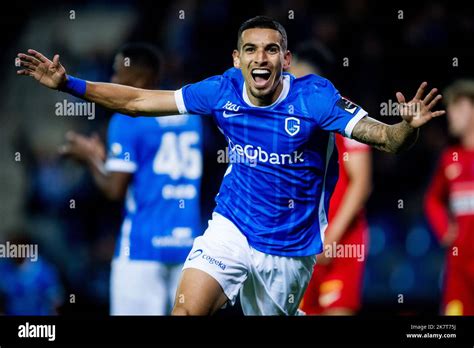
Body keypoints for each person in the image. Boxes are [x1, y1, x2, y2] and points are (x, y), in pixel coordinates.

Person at [17, 16, 445, 315]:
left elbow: (388, 140)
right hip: (232, 225)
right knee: (185, 309)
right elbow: (138, 100)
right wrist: (68, 84)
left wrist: (407, 126)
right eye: (251, 50)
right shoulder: (221, 91)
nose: (261, 59)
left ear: (286, 59)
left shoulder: (315, 98)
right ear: (237, 59)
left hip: (288, 247)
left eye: (272, 50)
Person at [58, 43, 203, 315]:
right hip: (189, 247)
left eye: (115, 74)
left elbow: (114, 189)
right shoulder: (189, 117)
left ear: (138, 80)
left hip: (141, 247)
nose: (111, 80)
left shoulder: (127, 120)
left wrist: (90, 158)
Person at [290, 43, 372, 315]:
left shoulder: (343, 114)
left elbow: (361, 182)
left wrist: (332, 236)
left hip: (341, 243)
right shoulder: (290, 116)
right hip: (302, 242)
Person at [424, 80, 474, 315]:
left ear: (470, 108)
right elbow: (432, 200)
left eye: (455, 109)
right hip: (459, 267)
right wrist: (445, 229)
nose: (450, 117)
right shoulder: (450, 158)